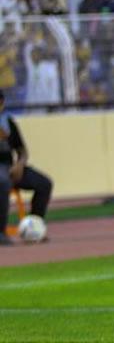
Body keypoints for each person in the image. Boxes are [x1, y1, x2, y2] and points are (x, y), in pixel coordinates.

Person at [0, 89, 54, 245]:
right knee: (2, 183)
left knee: (44, 183)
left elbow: (22, 150)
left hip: (11, 168)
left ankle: (35, 227)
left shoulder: (8, 123)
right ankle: (1, 232)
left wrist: (20, 165)